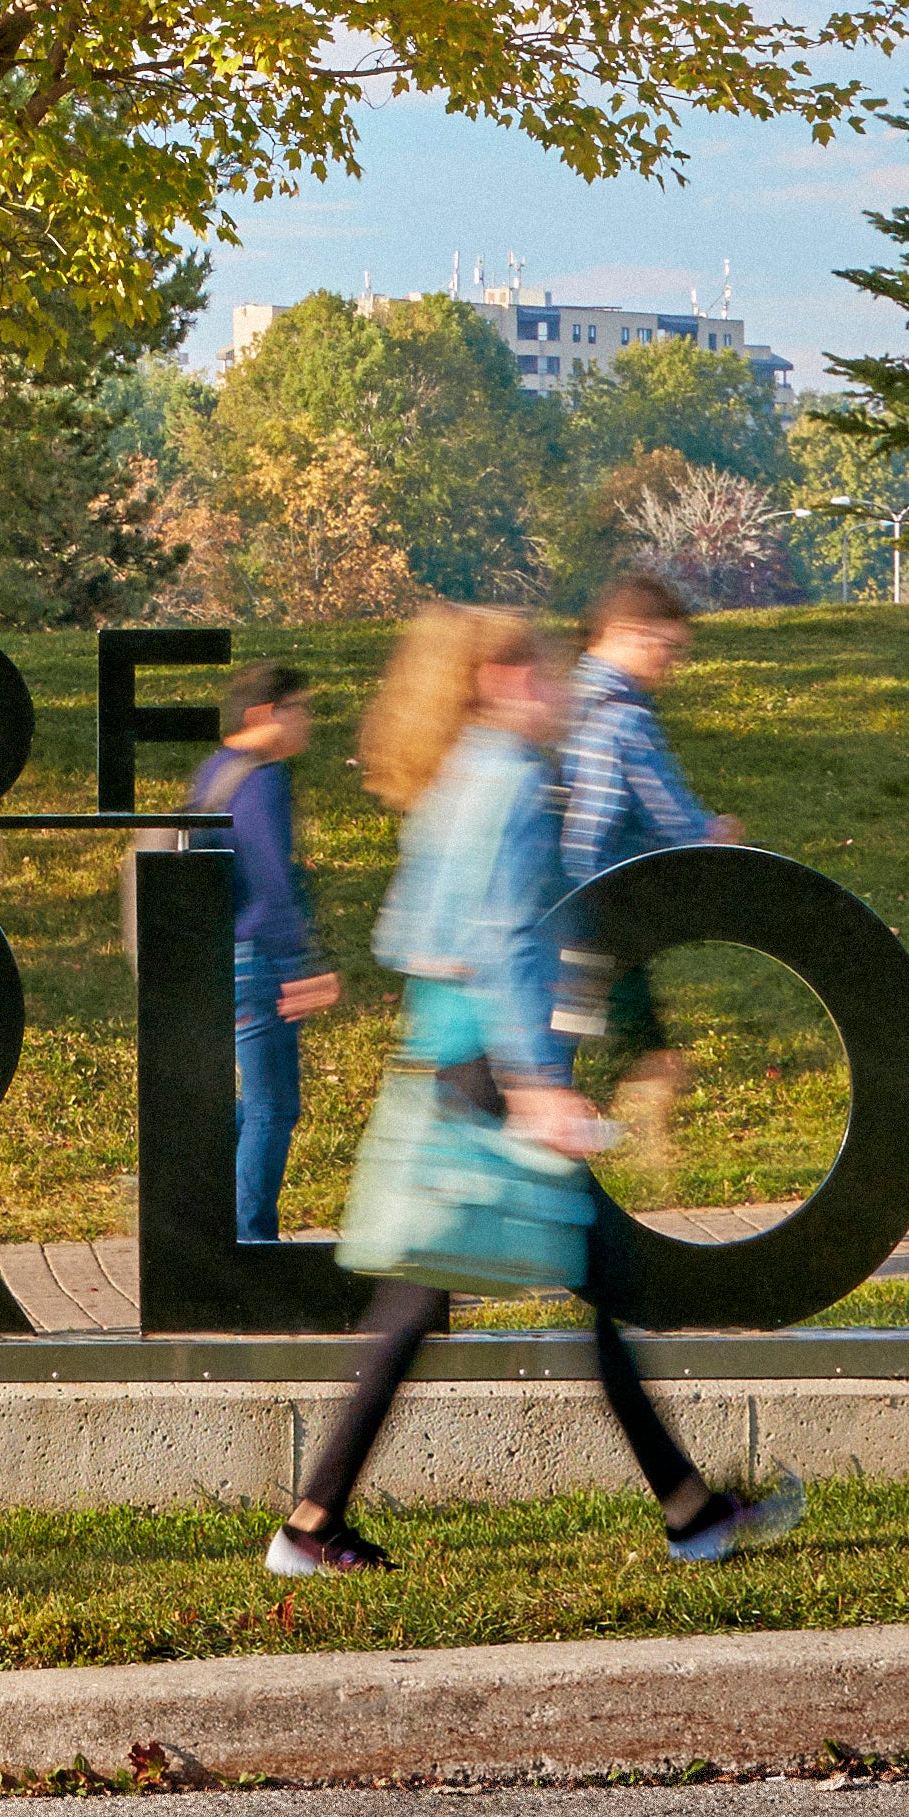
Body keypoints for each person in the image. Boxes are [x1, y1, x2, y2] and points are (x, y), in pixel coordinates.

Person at [263, 607, 801, 1583]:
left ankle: (312, 1523)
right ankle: (691, 1514)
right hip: (493, 1069)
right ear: (503, 680)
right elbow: (509, 940)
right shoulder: (509, 781)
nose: (558, 686)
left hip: (447, 1056)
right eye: (546, 671)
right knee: (597, 1284)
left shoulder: (451, 777)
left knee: (417, 1300)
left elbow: (407, 936)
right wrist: (538, 1083)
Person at [552, 569, 743, 1169]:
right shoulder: (624, 716)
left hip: (558, 908)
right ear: (626, 633)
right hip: (604, 911)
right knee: (643, 1057)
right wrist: (716, 834)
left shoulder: (565, 698)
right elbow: (670, 817)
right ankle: (633, 1145)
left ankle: (568, 1159)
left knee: (562, 1048)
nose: (672, 662)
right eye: (666, 646)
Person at [189, 664, 338, 1244]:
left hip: (217, 957)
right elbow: (275, 881)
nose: (307, 720)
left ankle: (213, 1226)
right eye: (297, 707)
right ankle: (252, 1243)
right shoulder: (262, 778)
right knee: (273, 1105)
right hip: (256, 960)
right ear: (262, 716)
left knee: (251, 1106)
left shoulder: (214, 772)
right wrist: (306, 966)